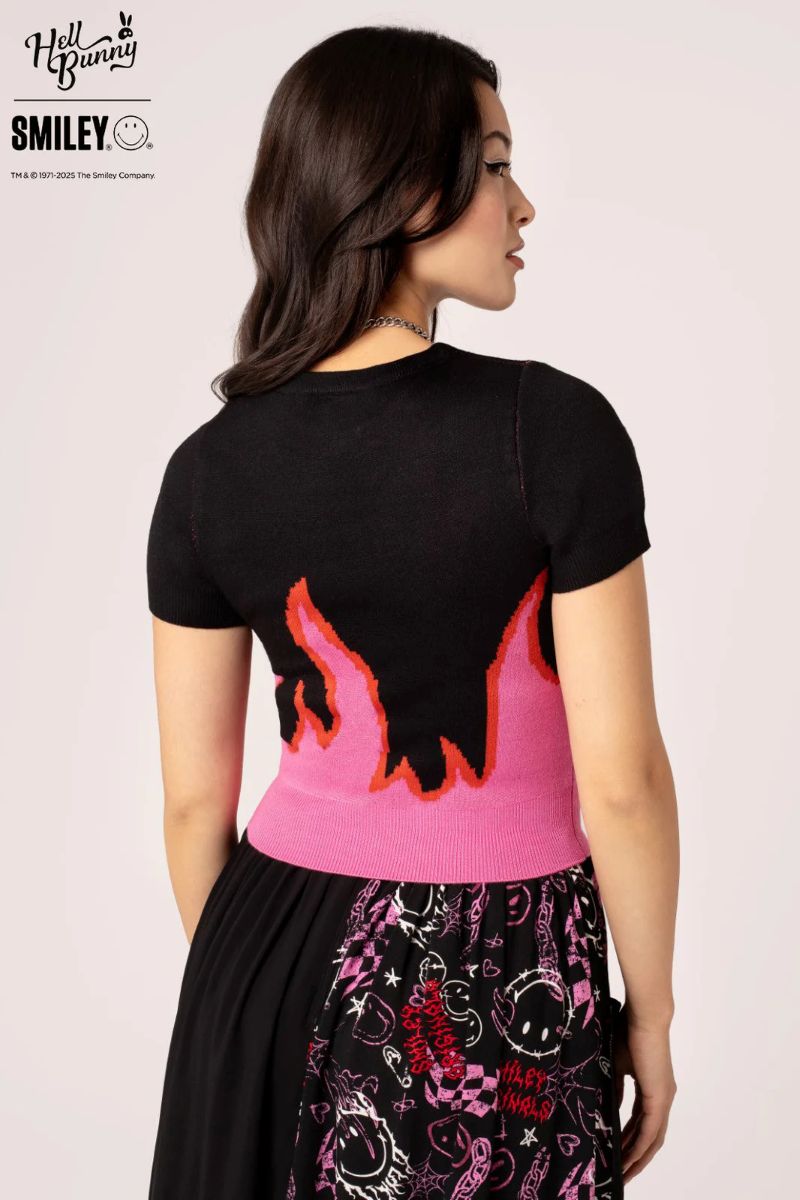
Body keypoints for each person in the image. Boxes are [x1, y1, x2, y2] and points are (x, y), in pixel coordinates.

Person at [145, 24, 678, 1200]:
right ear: (402, 188)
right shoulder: (551, 431)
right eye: (493, 165)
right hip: (506, 963)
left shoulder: (205, 470)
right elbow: (623, 782)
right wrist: (646, 1016)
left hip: (265, 956)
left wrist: (255, 1005)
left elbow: (191, 807)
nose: (522, 205)